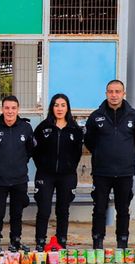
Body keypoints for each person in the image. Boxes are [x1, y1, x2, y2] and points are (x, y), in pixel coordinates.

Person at [84, 80, 135, 249]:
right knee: (99, 209)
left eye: (118, 91)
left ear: (123, 94)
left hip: (125, 172)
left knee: (123, 210)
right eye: (110, 91)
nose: (114, 95)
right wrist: (101, 153)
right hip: (102, 172)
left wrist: (125, 153)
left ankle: (122, 242)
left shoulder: (134, 116)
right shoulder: (96, 116)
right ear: (106, 94)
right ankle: (97, 241)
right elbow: (89, 141)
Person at [32, 93, 83, 250]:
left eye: (63, 105)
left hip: (67, 176)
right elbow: (35, 151)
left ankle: (61, 241)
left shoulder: (75, 129)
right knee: (44, 209)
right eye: (56, 105)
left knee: (63, 210)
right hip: (45, 175)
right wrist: (43, 166)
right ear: (51, 107)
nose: (59, 108)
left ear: (67, 108)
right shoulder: (43, 128)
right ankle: (40, 241)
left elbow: (77, 153)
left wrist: (69, 166)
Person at [0, 96, 35, 252]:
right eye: (7, 108)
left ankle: (15, 240)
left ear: (18, 109)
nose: (10, 111)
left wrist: (18, 165)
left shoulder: (26, 128)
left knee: (17, 212)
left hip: (19, 179)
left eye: (13, 108)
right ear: (2, 109)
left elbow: (29, 151)